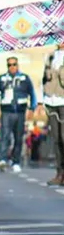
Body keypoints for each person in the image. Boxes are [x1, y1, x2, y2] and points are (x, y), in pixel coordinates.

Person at [0, 56, 36, 173]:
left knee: (18, 138)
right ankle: (2, 160)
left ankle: (16, 161)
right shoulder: (2, 79)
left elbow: (32, 94)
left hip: (20, 111)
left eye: (14, 64)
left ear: (17, 65)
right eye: (9, 65)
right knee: (4, 136)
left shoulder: (25, 78)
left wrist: (32, 108)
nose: (12, 67)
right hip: (6, 111)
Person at [42, 44, 64, 185]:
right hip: (51, 101)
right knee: (56, 140)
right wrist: (41, 100)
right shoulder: (50, 57)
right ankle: (59, 173)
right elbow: (44, 80)